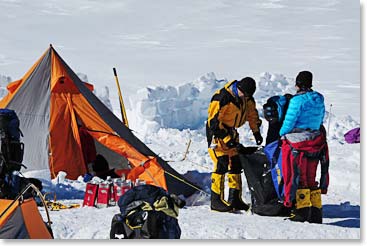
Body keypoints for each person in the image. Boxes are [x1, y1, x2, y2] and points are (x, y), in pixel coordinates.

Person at [206, 77, 263, 212]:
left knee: (236, 162)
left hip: (231, 132)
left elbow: (252, 115)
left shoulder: (247, 98)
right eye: (244, 94)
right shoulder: (222, 97)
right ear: (238, 88)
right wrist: (226, 139)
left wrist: (256, 133)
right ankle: (216, 200)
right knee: (222, 162)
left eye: (248, 96)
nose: (245, 97)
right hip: (217, 133)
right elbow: (213, 123)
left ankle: (235, 198)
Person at [279, 71, 329, 223]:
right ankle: (315, 212)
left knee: (299, 178)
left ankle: (301, 212)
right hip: (314, 142)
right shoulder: (319, 98)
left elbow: (289, 122)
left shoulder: (297, 101)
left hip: (297, 143)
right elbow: (320, 119)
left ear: (298, 84)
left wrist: (281, 134)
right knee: (310, 178)